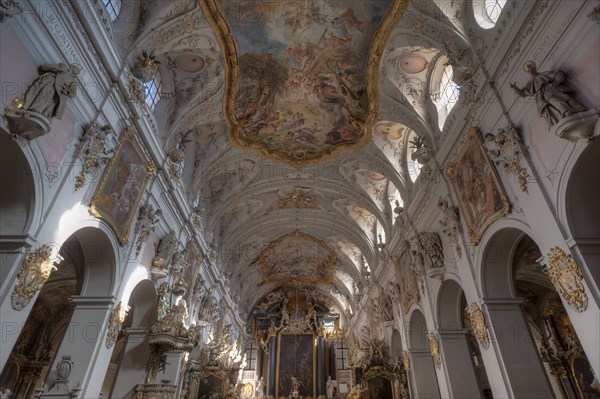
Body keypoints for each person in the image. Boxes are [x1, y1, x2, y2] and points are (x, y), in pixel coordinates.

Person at [510, 61, 586, 127]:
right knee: (553, 104)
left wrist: (555, 82)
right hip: (543, 97)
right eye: (528, 71)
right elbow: (523, 93)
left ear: (534, 69)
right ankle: (564, 113)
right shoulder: (531, 83)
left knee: (557, 100)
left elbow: (558, 74)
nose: (530, 72)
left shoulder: (543, 74)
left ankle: (567, 111)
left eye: (531, 69)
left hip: (551, 90)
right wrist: (515, 88)